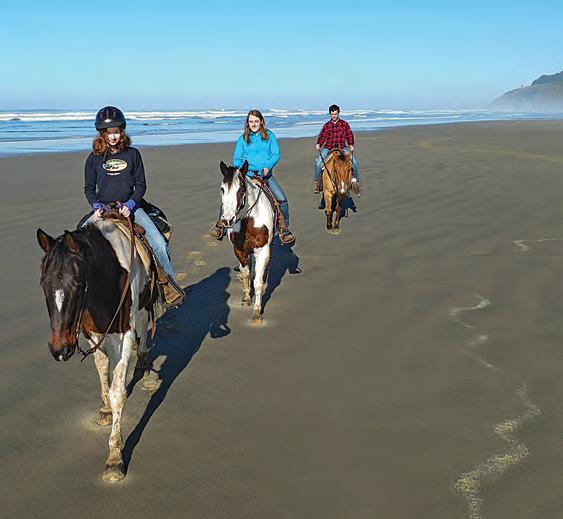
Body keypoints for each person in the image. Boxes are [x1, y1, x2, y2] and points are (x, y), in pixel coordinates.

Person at [83, 106, 176, 279]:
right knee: (77, 243)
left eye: (116, 132)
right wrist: (96, 207)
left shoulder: (133, 154)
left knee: (159, 243)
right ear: (102, 134)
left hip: (131, 208)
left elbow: (141, 186)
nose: (113, 136)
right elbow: (89, 189)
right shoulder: (93, 158)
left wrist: (130, 204)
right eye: (109, 132)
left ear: (122, 132)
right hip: (103, 209)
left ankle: (171, 284)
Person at [210, 110, 296, 245]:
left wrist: (268, 167)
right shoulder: (242, 139)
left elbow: (275, 154)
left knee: (282, 200)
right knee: (230, 195)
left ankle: (284, 229)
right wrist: (240, 172)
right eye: (251, 121)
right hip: (247, 175)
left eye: (256, 121)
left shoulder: (269, 136)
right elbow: (237, 158)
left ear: (261, 122)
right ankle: (220, 225)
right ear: (247, 123)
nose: (254, 124)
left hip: (265, 176)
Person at [314, 104, 360, 194]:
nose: (334, 116)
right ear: (330, 114)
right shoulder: (327, 125)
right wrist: (319, 144)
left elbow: (349, 135)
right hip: (329, 147)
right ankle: (317, 183)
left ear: (338, 113)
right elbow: (322, 136)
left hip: (342, 147)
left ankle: (355, 182)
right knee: (318, 164)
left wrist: (351, 144)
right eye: (332, 114)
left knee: (354, 162)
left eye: (335, 114)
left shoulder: (344, 124)